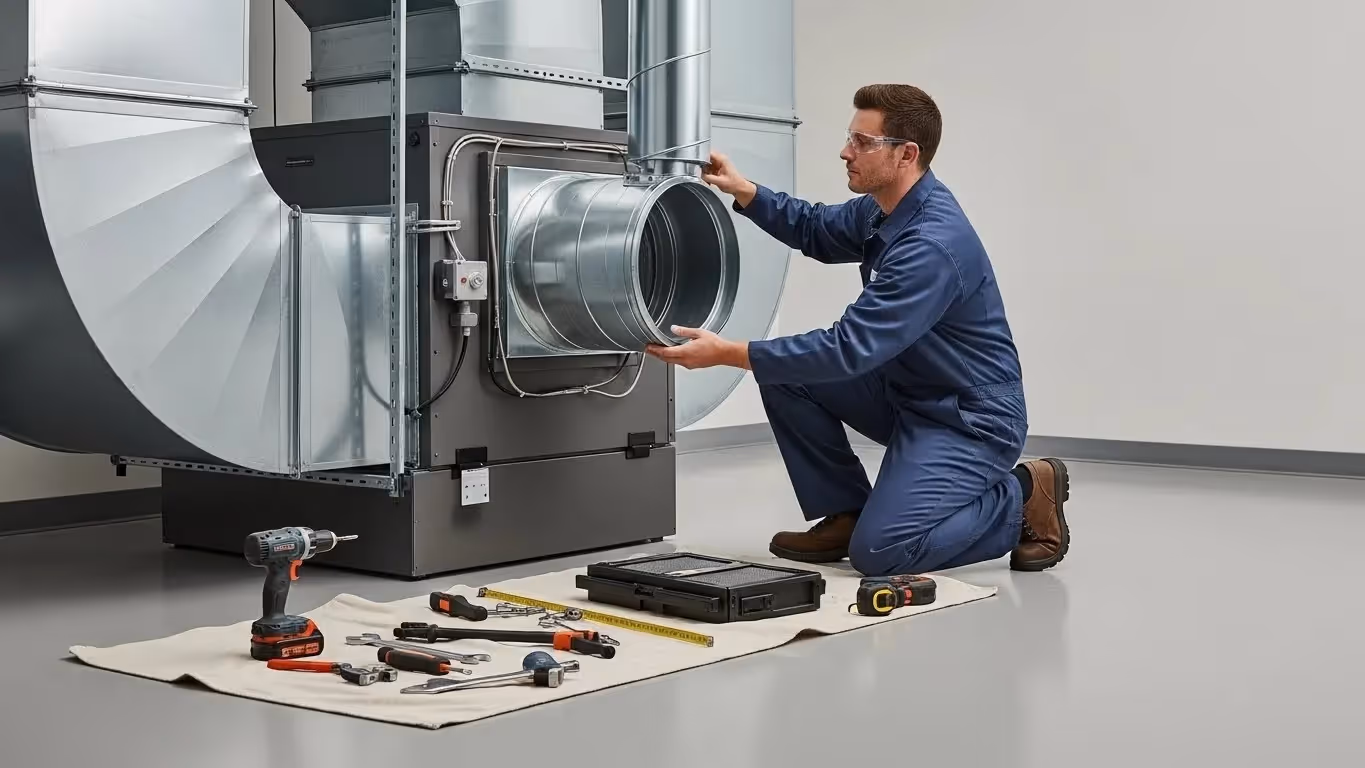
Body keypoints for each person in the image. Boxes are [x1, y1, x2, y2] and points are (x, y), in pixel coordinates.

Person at [644, 84, 1070, 576]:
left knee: (882, 553)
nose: (846, 151)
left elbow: (849, 349)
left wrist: (728, 353)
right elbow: (817, 229)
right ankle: (847, 511)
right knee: (787, 372)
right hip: (908, 394)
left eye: (863, 142)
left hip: (967, 419)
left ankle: (1021, 497)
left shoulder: (930, 244)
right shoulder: (885, 206)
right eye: (851, 137)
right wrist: (744, 190)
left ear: (906, 154)